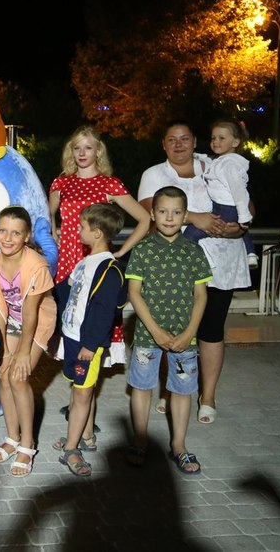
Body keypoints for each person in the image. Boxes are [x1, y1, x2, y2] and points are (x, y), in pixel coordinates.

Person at [137, 120, 251, 425]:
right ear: (163, 144)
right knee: (173, 327)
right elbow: (149, 210)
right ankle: (172, 389)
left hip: (221, 262)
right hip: (174, 264)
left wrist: (237, 226)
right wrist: (194, 218)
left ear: (195, 141)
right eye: (172, 139)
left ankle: (208, 396)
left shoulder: (217, 165)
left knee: (211, 330)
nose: (179, 144)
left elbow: (247, 202)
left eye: (184, 138)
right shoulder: (154, 174)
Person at [48, 124, 150, 365]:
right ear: (71, 151)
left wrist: (122, 251)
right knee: (68, 316)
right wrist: (53, 234)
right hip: (67, 261)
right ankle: (76, 378)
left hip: (96, 260)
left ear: (98, 151)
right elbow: (47, 214)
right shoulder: (61, 183)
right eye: (77, 148)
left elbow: (145, 219)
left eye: (88, 148)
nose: (82, 153)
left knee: (96, 314)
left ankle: (87, 379)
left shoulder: (109, 184)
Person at [124, 187, 210, 475]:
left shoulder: (193, 251)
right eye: (162, 211)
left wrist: (190, 332)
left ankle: (179, 445)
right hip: (148, 335)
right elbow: (134, 293)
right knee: (142, 387)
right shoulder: (143, 250)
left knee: (182, 390)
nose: (169, 217)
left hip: (185, 335)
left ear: (185, 216)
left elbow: (201, 296)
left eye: (176, 212)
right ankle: (140, 440)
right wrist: (155, 331)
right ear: (152, 214)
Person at [0, 206, 56, 477]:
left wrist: (23, 353)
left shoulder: (36, 266)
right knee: (4, 374)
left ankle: (27, 444)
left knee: (18, 377)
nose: (8, 238)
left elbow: (31, 314)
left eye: (16, 233)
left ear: (26, 236)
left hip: (37, 321)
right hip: (11, 321)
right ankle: (12, 437)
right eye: (3, 230)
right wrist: (2, 349)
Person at [54, 204, 127, 477]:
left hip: (87, 342)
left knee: (82, 393)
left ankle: (71, 449)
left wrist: (91, 344)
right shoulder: (85, 262)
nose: (78, 230)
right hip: (72, 336)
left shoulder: (109, 269)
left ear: (97, 233)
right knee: (80, 388)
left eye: (82, 227)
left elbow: (104, 311)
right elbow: (64, 291)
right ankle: (85, 435)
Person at [183, 119, 258, 266]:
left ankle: (188, 262)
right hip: (223, 207)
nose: (215, 142)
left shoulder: (230, 166)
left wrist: (244, 217)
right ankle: (251, 253)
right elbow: (211, 160)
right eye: (213, 138)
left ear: (235, 142)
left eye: (221, 138)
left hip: (227, 209)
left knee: (191, 233)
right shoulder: (223, 160)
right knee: (240, 229)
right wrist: (197, 156)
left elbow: (239, 193)